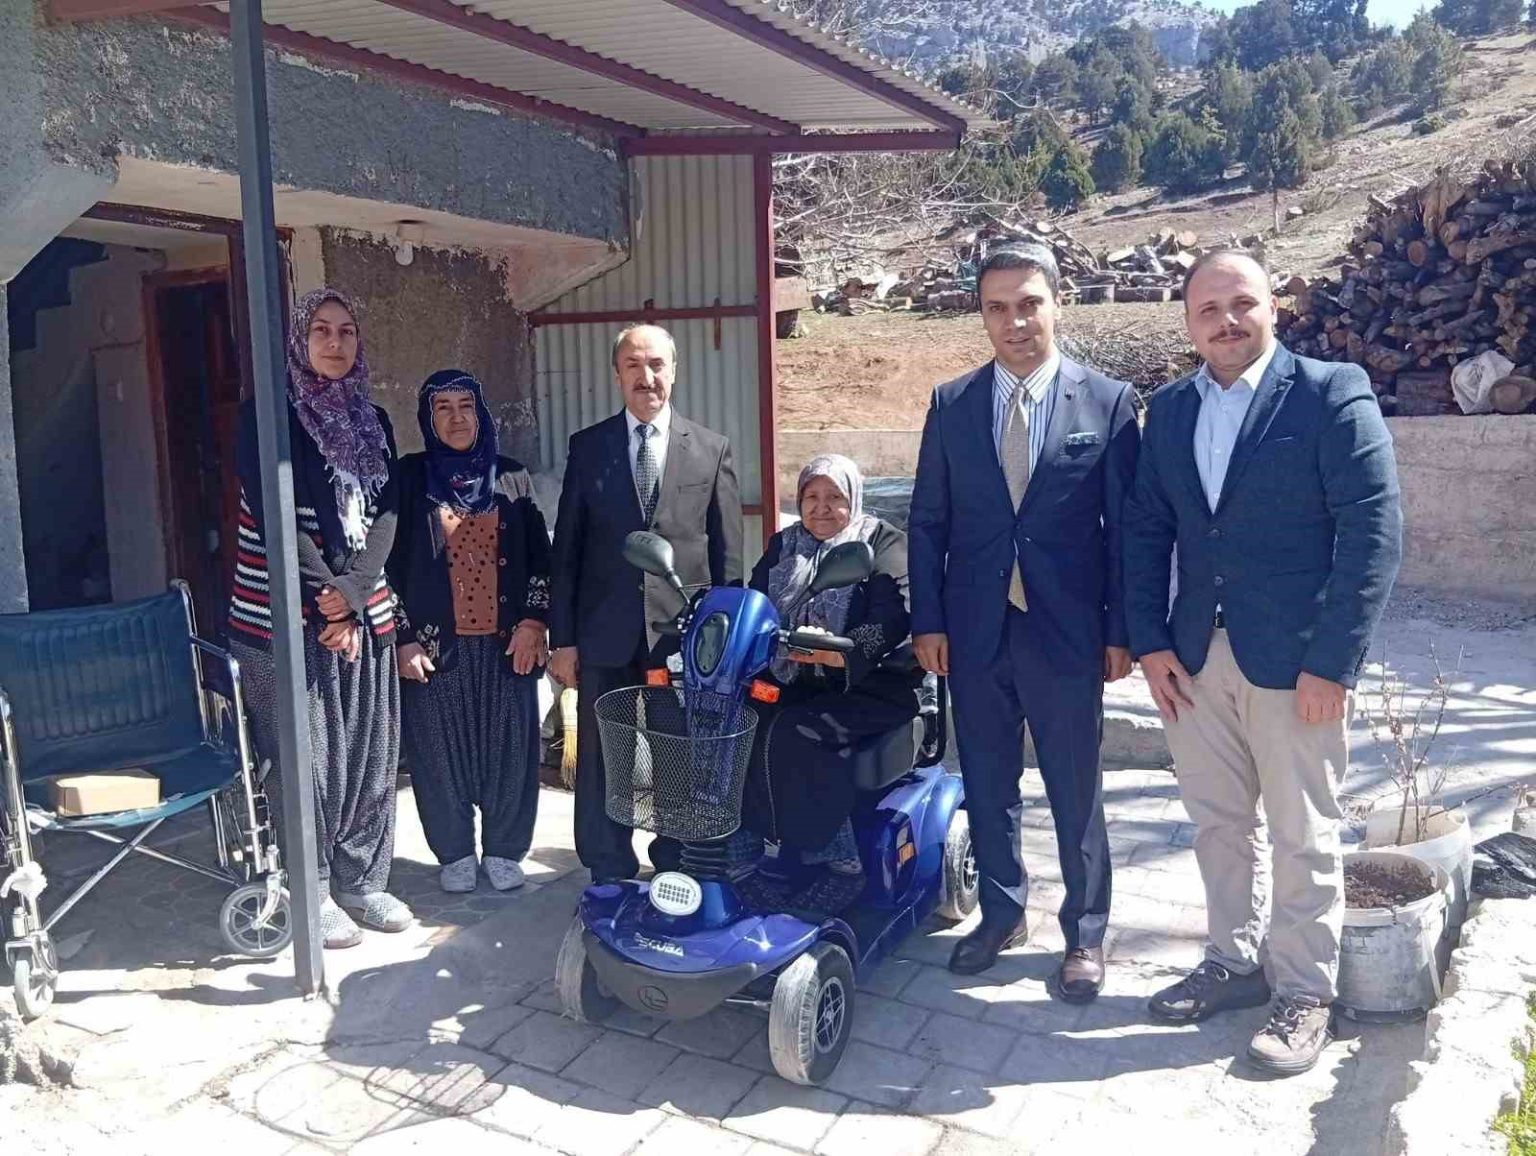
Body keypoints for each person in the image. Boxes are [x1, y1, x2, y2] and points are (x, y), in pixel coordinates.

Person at [1124, 248, 1401, 1076]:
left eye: (1242, 303)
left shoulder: (1330, 392)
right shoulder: (1171, 410)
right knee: (1218, 825)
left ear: (1273, 305)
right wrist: (1150, 641)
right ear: (1187, 323)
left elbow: (1373, 533)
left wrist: (1334, 662)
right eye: (1208, 310)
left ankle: (1305, 991)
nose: (1227, 322)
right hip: (1193, 661)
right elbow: (1146, 530)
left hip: (1295, 664)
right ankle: (1234, 961)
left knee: (1301, 833)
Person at [908, 244, 1140, 997]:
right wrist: (928, 620)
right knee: (986, 780)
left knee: (1075, 786)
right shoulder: (951, 405)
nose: (1015, 322)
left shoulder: (1107, 403)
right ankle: (1002, 913)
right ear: (982, 316)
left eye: (1029, 303)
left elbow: (1126, 532)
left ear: (1057, 304)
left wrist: (1120, 632)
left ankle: (1085, 931)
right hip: (974, 631)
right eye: (997, 308)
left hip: (1067, 634)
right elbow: (927, 522)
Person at [228, 288, 411, 950]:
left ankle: (362, 881)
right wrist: (325, 597)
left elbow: (389, 510)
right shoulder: (266, 417)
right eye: (322, 331)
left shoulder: (374, 420)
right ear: (299, 342)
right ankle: (312, 885)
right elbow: (276, 514)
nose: (335, 343)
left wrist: (353, 595)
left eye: (347, 331)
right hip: (283, 616)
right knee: (307, 761)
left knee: (370, 753)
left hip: (363, 611)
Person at [549, 324, 743, 882]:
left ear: (674, 371)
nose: (646, 376)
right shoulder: (589, 449)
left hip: (679, 641)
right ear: (617, 374)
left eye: (656, 364)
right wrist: (564, 640)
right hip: (603, 633)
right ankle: (607, 867)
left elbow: (728, 560)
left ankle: (676, 862)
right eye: (633, 365)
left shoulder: (710, 450)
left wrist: (723, 644)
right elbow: (568, 552)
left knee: (676, 754)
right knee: (602, 755)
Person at [389, 370, 552, 895]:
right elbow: (385, 564)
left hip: (508, 644)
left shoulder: (512, 477)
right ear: (428, 418)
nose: (457, 418)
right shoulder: (408, 479)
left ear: (481, 413)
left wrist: (534, 622)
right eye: (443, 408)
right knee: (438, 752)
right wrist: (402, 636)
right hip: (434, 647)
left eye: (466, 406)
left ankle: (505, 848)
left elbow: (542, 560)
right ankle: (454, 850)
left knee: (510, 750)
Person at [738, 454, 923, 916]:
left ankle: (841, 866)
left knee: (797, 734)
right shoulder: (785, 544)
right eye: (811, 497)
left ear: (852, 498)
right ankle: (741, 855)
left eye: (835, 497)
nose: (822, 508)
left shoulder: (881, 541)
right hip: (793, 679)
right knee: (734, 721)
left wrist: (844, 650)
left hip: (870, 684)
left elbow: (894, 615)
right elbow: (754, 599)